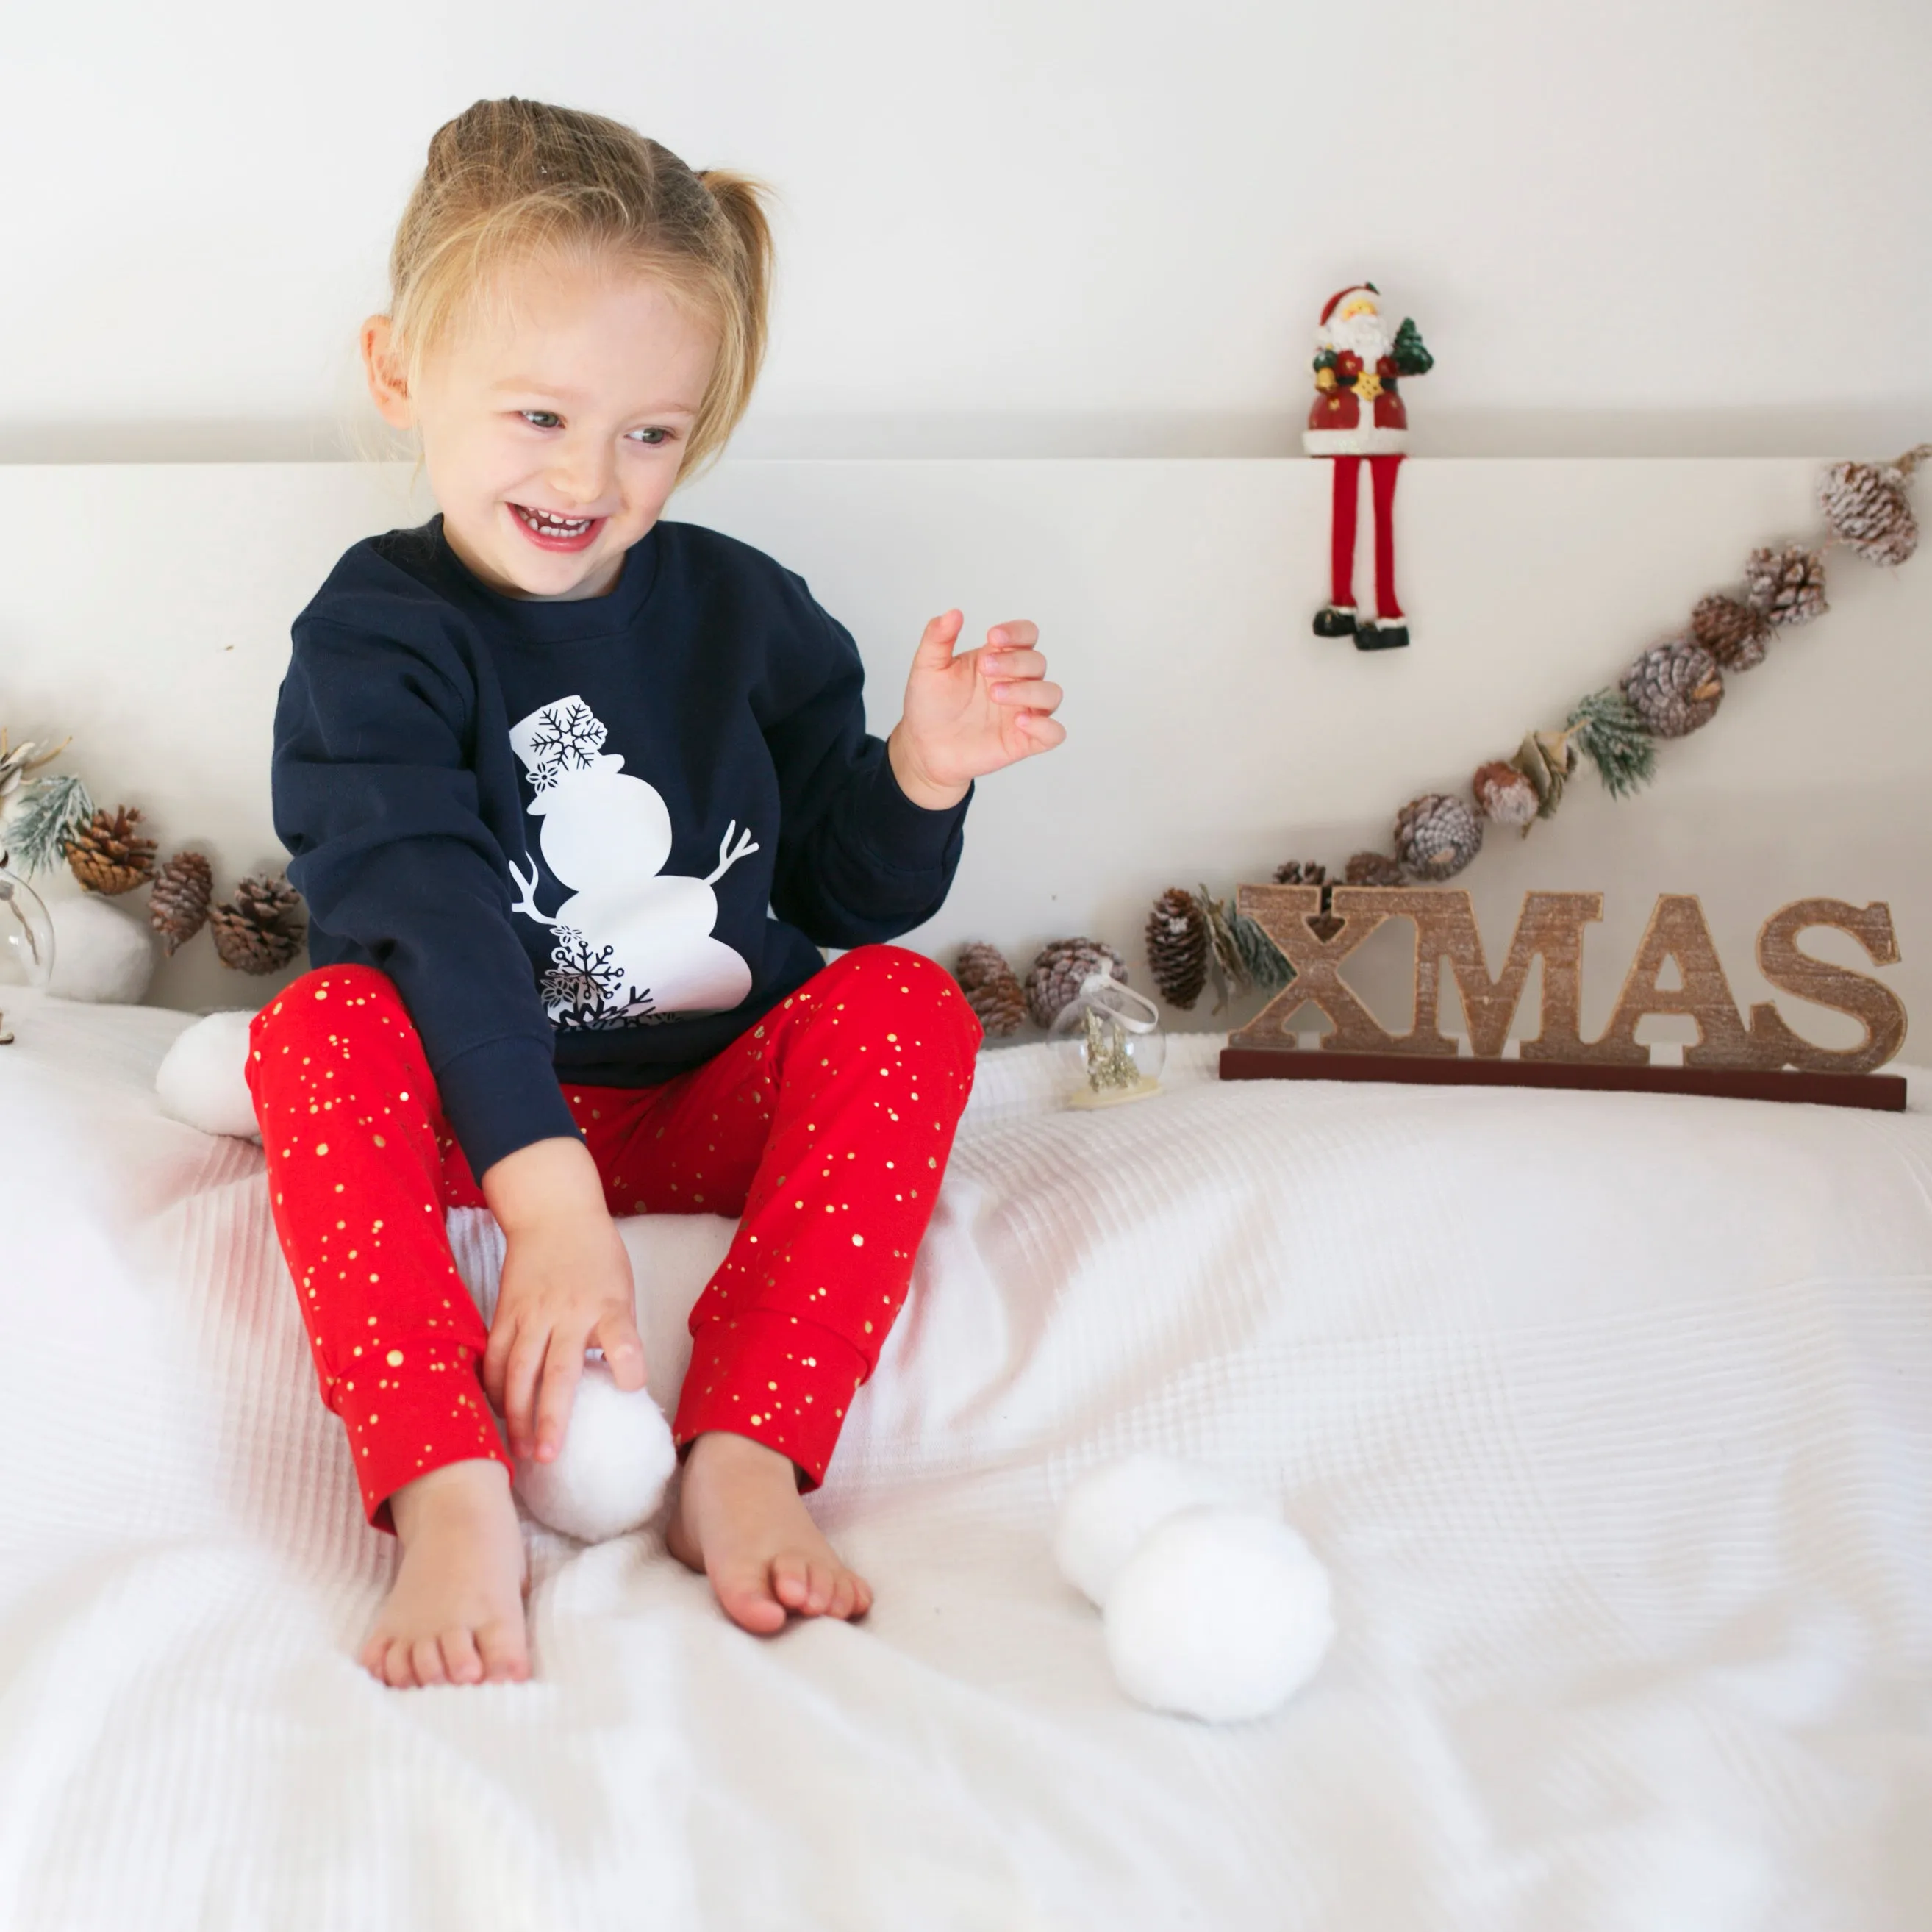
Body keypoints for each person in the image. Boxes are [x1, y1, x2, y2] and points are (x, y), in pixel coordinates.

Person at [251, 97, 1065, 1689]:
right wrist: (545, 1201)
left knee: (903, 1007)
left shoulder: (748, 617)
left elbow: (842, 892)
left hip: (699, 1096)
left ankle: (747, 1453)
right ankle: (447, 1490)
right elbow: (424, 909)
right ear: (400, 373)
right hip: (469, 1107)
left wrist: (921, 774)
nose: (591, 477)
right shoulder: (375, 638)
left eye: (650, 432)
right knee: (319, 1031)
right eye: (540, 417)